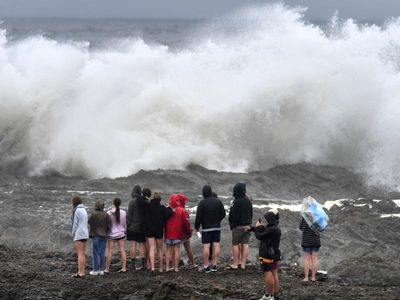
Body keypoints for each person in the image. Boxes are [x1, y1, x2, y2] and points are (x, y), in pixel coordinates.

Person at [194, 185, 226, 273]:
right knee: (216, 245)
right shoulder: (218, 202)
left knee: (206, 246)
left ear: (203, 193)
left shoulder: (202, 203)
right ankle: (215, 265)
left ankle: (206, 266)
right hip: (216, 227)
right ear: (211, 192)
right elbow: (223, 214)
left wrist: (196, 227)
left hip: (206, 228)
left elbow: (198, 217)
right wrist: (217, 220)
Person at [143, 191, 172, 273]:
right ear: (160, 199)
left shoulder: (148, 207)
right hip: (159, 230)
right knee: (159, 249)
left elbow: (144, 217)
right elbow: (168, 214)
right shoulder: (162, 208)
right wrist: (170, 208)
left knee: (151, 248)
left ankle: (152, 267)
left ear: (153, 198)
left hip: (149, 231)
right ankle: (160, 268)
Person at [254, 211, 281, 300]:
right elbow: (265, 231)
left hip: (267, 254)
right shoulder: (275, 228)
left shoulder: (271, 229)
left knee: (267, 273)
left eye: (267, 219)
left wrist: (257, 228)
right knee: (274, 273)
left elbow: (259, 236)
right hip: (275, 253)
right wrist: (254, 228)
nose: (266, 221)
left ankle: (268, 294)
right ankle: (274, 295)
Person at [227, 183, 253, 270]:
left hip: (238, 226)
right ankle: (243, 264)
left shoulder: (236, 201)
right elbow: (251, 213)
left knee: (235, 244)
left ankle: (235, 263)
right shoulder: (248, 201)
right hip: (247, 225)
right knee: (245, 244)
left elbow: (234, 215)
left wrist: (232, 225)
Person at [165, 193, 190, 272]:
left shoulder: (167, 210)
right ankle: (176, 268)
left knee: (168, 250)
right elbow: (184, 222)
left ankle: (167, 267)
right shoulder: (181, 210)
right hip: (177, 233)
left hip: (168, 233)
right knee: (176, 250)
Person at [127, 185, 147, 270]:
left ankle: (133, 265)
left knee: (133, 245)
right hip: (142, 227)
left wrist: (128, 225)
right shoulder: (145, 201)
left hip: (133, 227)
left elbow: (129, 216)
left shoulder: (132, 202)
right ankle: (143, 265)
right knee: (142, 245)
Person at [88, 199, 110, 276]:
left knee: (95, 253)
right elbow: (109, 225)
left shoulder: (93, 214)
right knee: (102, 253)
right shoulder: (106, 215)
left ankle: (95, 270)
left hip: (95, 235)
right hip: (104, 235)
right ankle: (102, 270)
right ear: (103, 207)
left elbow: (89, 222)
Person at [105, 198, 127, 273]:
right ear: (120, 203)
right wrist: (125, 232)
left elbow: (107, 225)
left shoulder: (109, 213)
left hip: (111, 235)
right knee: (122, 250)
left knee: (110, 251)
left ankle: (107, 269)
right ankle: (124, 268)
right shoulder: (123, 213)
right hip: (121, 234)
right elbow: (124, 224)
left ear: (113, 203)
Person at [176, 193, 197, 268]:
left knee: (176, 249)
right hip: (184, 233)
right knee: (188, 248)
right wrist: (189, 231)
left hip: (176, 233)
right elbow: (186, 223)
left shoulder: (174, 210)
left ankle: (175, 266)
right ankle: (193, 264)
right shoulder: (184, 211)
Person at [71, 195, 89, 278]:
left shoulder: (77, 210)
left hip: (79, 233)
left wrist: (73, 233)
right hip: (85, 233)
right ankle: (82, 271)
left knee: (80, 254)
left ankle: (80, 273)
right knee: (82, 253)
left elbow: (75, 224)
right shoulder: (84, 209)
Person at [299, 216, 321, 282]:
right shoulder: (318, 216)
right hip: (316, 240)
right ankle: (313, 277)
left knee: (307, 259)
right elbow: (321, 228)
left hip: (306, 240)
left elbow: (300, 227)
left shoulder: (305, 216)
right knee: (314, 259)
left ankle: (306, 278)